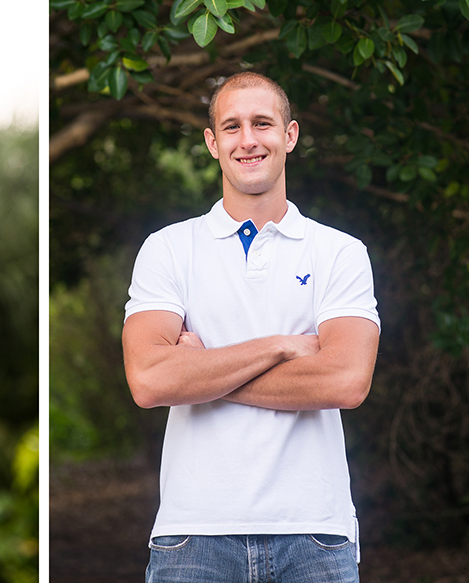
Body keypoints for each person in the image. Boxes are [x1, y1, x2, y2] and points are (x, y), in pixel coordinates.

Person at [122, 72, 380, 582]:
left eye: (262, 123)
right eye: (232, 126)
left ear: (290, 135)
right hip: (192, 534)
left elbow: (345, 382)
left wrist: (198, 372)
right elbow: (150, 381)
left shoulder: (340, 253)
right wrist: (281, 346)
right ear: (212, 143)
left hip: (315, 533)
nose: (248, 139)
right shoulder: (168, 249)